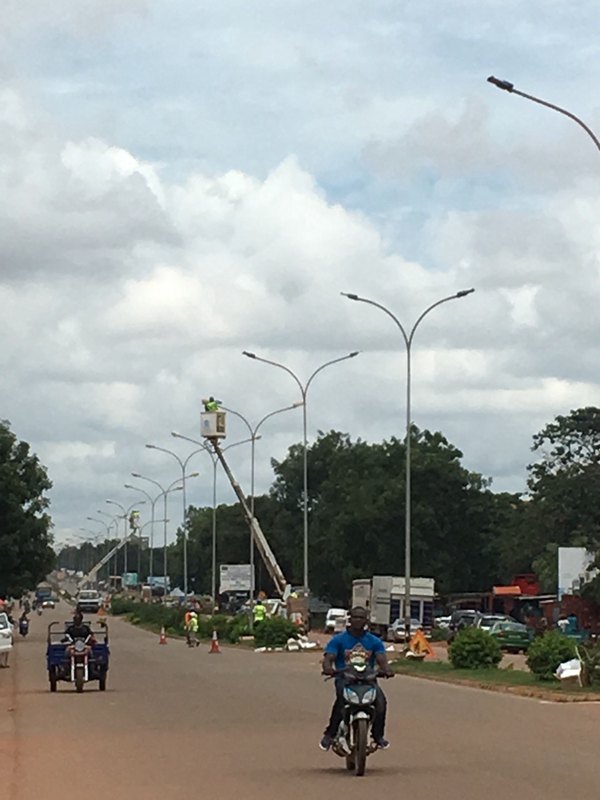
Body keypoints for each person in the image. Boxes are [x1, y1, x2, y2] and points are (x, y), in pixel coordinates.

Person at [320, 606, 393, 752]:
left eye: (361, 617)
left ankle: (378, 736)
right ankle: (330, 734)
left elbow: (381, 658)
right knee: (341, 702)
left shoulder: (374, 641)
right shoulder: (339, 640)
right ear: (349, 619)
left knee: (381, 703)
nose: (358, 620)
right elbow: (329, 657)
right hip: (345, 679)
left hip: (368, 680)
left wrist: (386, 669)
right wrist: (328, 668)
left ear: (366, 620)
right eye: (355, 617)